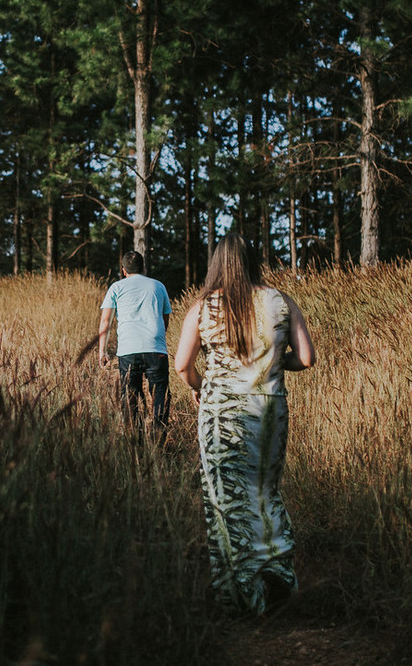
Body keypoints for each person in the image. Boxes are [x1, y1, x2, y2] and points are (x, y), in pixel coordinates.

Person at [174, 233, 315, 616]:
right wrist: (273, 365)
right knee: (265, 492)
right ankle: (278, 574)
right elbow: (306, 357)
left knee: (226, 503)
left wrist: (202, 387)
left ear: (216, 263)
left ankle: (239, 594)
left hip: (222, 415)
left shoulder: (203, 308)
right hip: (270, 411)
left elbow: (182, 366)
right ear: (253, 260)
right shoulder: (281, 301)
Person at [98, 251, 173, 438]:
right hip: (156, 348)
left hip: (128, 350)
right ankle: (158, 440)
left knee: (130, 400)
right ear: (144, 267)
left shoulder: (116, 288)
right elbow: (165, 319)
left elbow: (105, 322)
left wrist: (102, 351)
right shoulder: (158, 286)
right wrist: (157, 338)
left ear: (124, 271)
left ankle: (136, 443)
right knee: (160, 396)